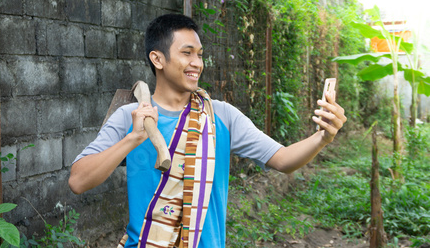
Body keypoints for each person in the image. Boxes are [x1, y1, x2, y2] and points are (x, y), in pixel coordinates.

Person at [68, 14, 347, 248]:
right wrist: (134, 137)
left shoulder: (220, 117)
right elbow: (78, 181)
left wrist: (323, 136)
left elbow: (284, 160)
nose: (197, 63)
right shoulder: (129, 118)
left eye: (200, 55)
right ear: (157, 59)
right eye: (187, 53)